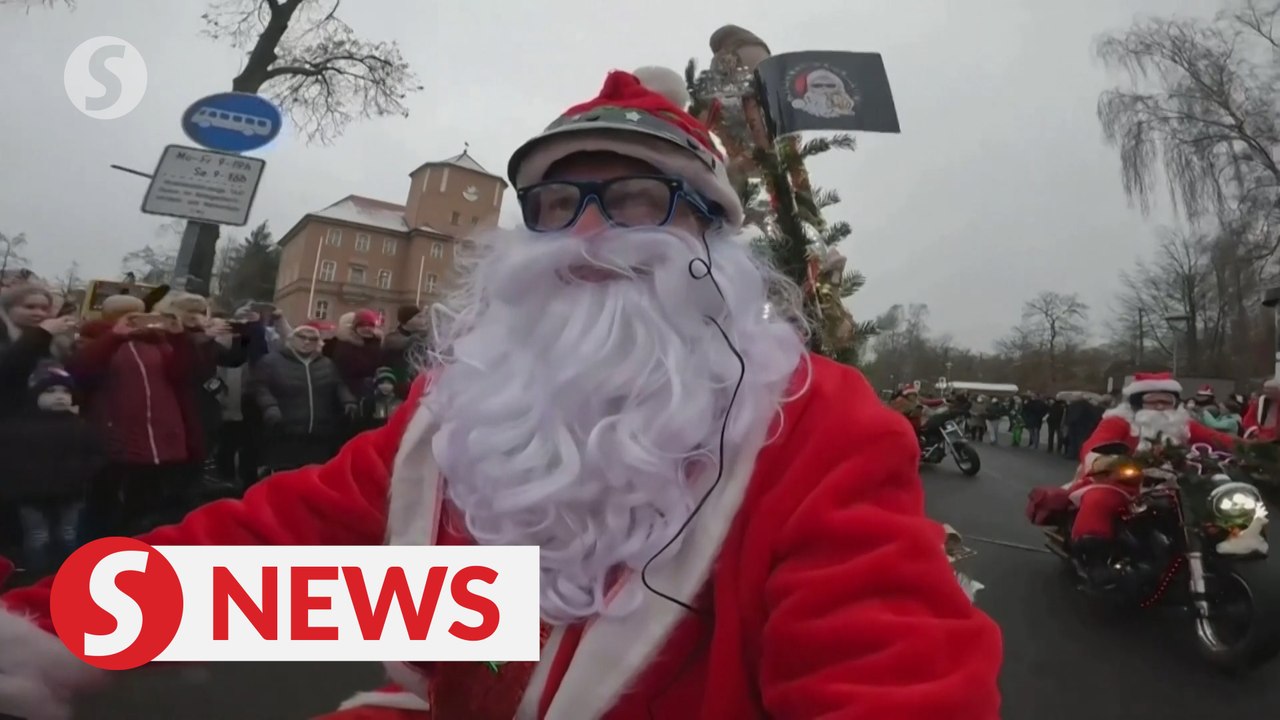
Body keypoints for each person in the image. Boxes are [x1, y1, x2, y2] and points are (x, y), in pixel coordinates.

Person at [0, 66, 1001, 720]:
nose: (592, 234)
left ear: (711, 240)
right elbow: (272, 567)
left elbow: (889, 674)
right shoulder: (463, 415)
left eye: (637, 200)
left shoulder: (807, 419)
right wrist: (46, 630)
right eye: (558, 205)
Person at [1066, 373, 1237, 586]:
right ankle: (1095, 559)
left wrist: (1251, 451)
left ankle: (1210, 550)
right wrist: (1108, 462)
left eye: (1166, 402)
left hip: (1174, 483)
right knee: (1100, 499)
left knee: (1213, 501)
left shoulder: (1183, 425)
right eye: (1153, 401)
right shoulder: (1120, 421)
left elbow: (1218, 439)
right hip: (1125, 481)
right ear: (1138, 402)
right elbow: (1095, 446)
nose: (1160, 407)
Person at [0, 368, 103, 576]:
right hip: (30, 494)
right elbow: (10, 462)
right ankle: (39, 577)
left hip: (71, 491)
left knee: (68, 534)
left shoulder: (81, 426)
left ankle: (72, 576)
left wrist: (82, 474)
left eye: (65, 392)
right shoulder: (17, 428)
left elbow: (97, 454)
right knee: (38, 535)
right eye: (50, 391)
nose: (59, 396)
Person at [253, 323, 356, 473]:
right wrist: (270, 407)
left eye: (312, 339)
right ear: (292, 339)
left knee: (313, 478)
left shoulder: (327, 364)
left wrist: (348, 400)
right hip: (284, 433)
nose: (307, 342)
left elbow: (338, 385)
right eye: (302, 337)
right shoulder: (272, 361)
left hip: (319, 434)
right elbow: (260, 387)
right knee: (285, 479)